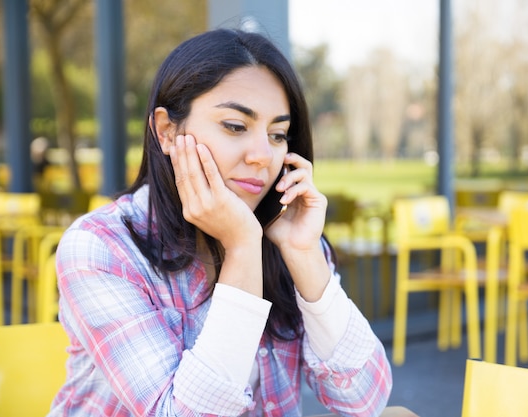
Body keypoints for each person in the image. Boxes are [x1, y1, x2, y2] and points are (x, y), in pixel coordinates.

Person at [48, 28, 393, 417]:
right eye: (235, 126)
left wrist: (304, 253)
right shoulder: (101, 247)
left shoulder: (287, 239)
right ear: (167, 130)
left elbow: (366, 400)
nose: (263, 155)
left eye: (278, 134)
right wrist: (242, 249)